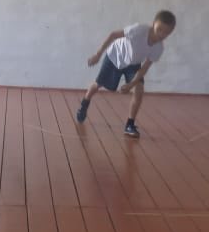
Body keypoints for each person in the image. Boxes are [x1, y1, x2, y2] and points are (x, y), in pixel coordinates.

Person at [75, 10, 176, 138]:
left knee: (139, 89)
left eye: (166, 32)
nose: (161, 34)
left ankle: (130, 124)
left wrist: (131, 84)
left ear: (171, 32)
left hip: (133, 64)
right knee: (98, 84)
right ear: (153, 24)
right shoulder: (139, 30)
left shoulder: (158, 48)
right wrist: (98, 54)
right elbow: (113, 35)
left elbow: (144, 68)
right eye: (159, 29)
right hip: (115, 56)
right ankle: (84, 104)